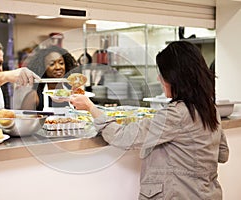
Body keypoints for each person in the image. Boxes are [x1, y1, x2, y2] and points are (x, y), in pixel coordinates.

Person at [70, 41, 229, 199]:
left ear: (175, 78)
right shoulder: (209, 108)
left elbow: (124, 137)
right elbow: (222, 154)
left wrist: (90, 107)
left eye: (162, 74)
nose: (159, 79)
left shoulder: (176, 114)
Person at [21, 45, 78, 111]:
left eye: (61, 63)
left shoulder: (72, 93)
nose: (58, 67)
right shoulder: (34, 96)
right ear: (43, 68)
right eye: (52, 64)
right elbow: (24, 120)